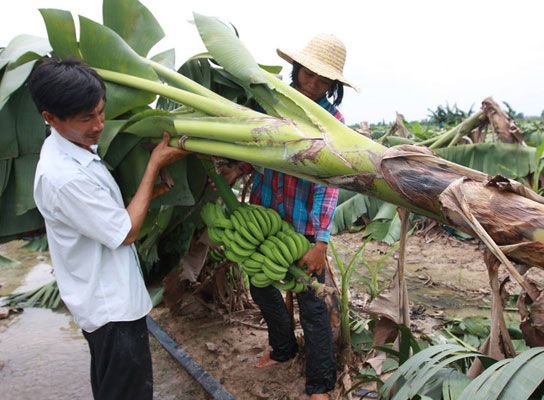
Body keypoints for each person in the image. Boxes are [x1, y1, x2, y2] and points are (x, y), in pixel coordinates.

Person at [29, 58, 189, 400]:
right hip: (111, 310)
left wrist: (143, 193)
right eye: (86, 118)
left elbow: (103, 213)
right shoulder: (64, 177)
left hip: (105, 302)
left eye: (101, 111)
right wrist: (153, 168)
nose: (99, 124)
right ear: (50, 118)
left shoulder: (73, 146)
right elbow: (125, 232)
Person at [222, 34, 357, 400]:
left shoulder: (334, 121)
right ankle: (283, 349)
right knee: (261, 286)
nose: (312, 85)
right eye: (308, 75)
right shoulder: (273, 105)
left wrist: (320, 242)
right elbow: (261, 147)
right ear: (296, 68)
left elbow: (330, 184)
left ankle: (320, 384)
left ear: (333, 85)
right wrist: (238, 168)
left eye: (323, 81)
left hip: (304, 225)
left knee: (314, 304)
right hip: (266, 216)